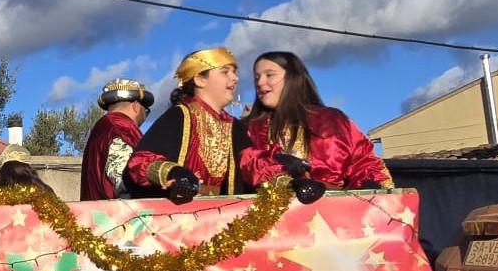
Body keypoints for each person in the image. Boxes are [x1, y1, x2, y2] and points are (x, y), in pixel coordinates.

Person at [237, 51, 394, 191]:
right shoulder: (249, 129)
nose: (260, 83)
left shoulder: (333, 121)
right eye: (257, 77)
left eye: (269, 75)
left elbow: (365, 163)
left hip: (336, 211)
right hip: (267, 211)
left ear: (292, 78)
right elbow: (244, 165)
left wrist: (372, 188)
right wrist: (280, 166)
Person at [126, 48, 247, 203]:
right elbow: (139, 162)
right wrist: (173, 172)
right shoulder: (179, 116)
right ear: (199, 79)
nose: (235, 78)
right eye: (225, 72)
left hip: (224, 212)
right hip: (183, 212)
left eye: (234, 72)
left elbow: (252, 163)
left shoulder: (235, 126)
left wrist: (275, 167)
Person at [80, 78, 154, 201]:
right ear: (136, 106)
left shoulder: (103, 127)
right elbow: (124, 182)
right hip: (121, 212)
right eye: (145, 111)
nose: (145, 117)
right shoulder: (121, 128)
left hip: (98, 210)